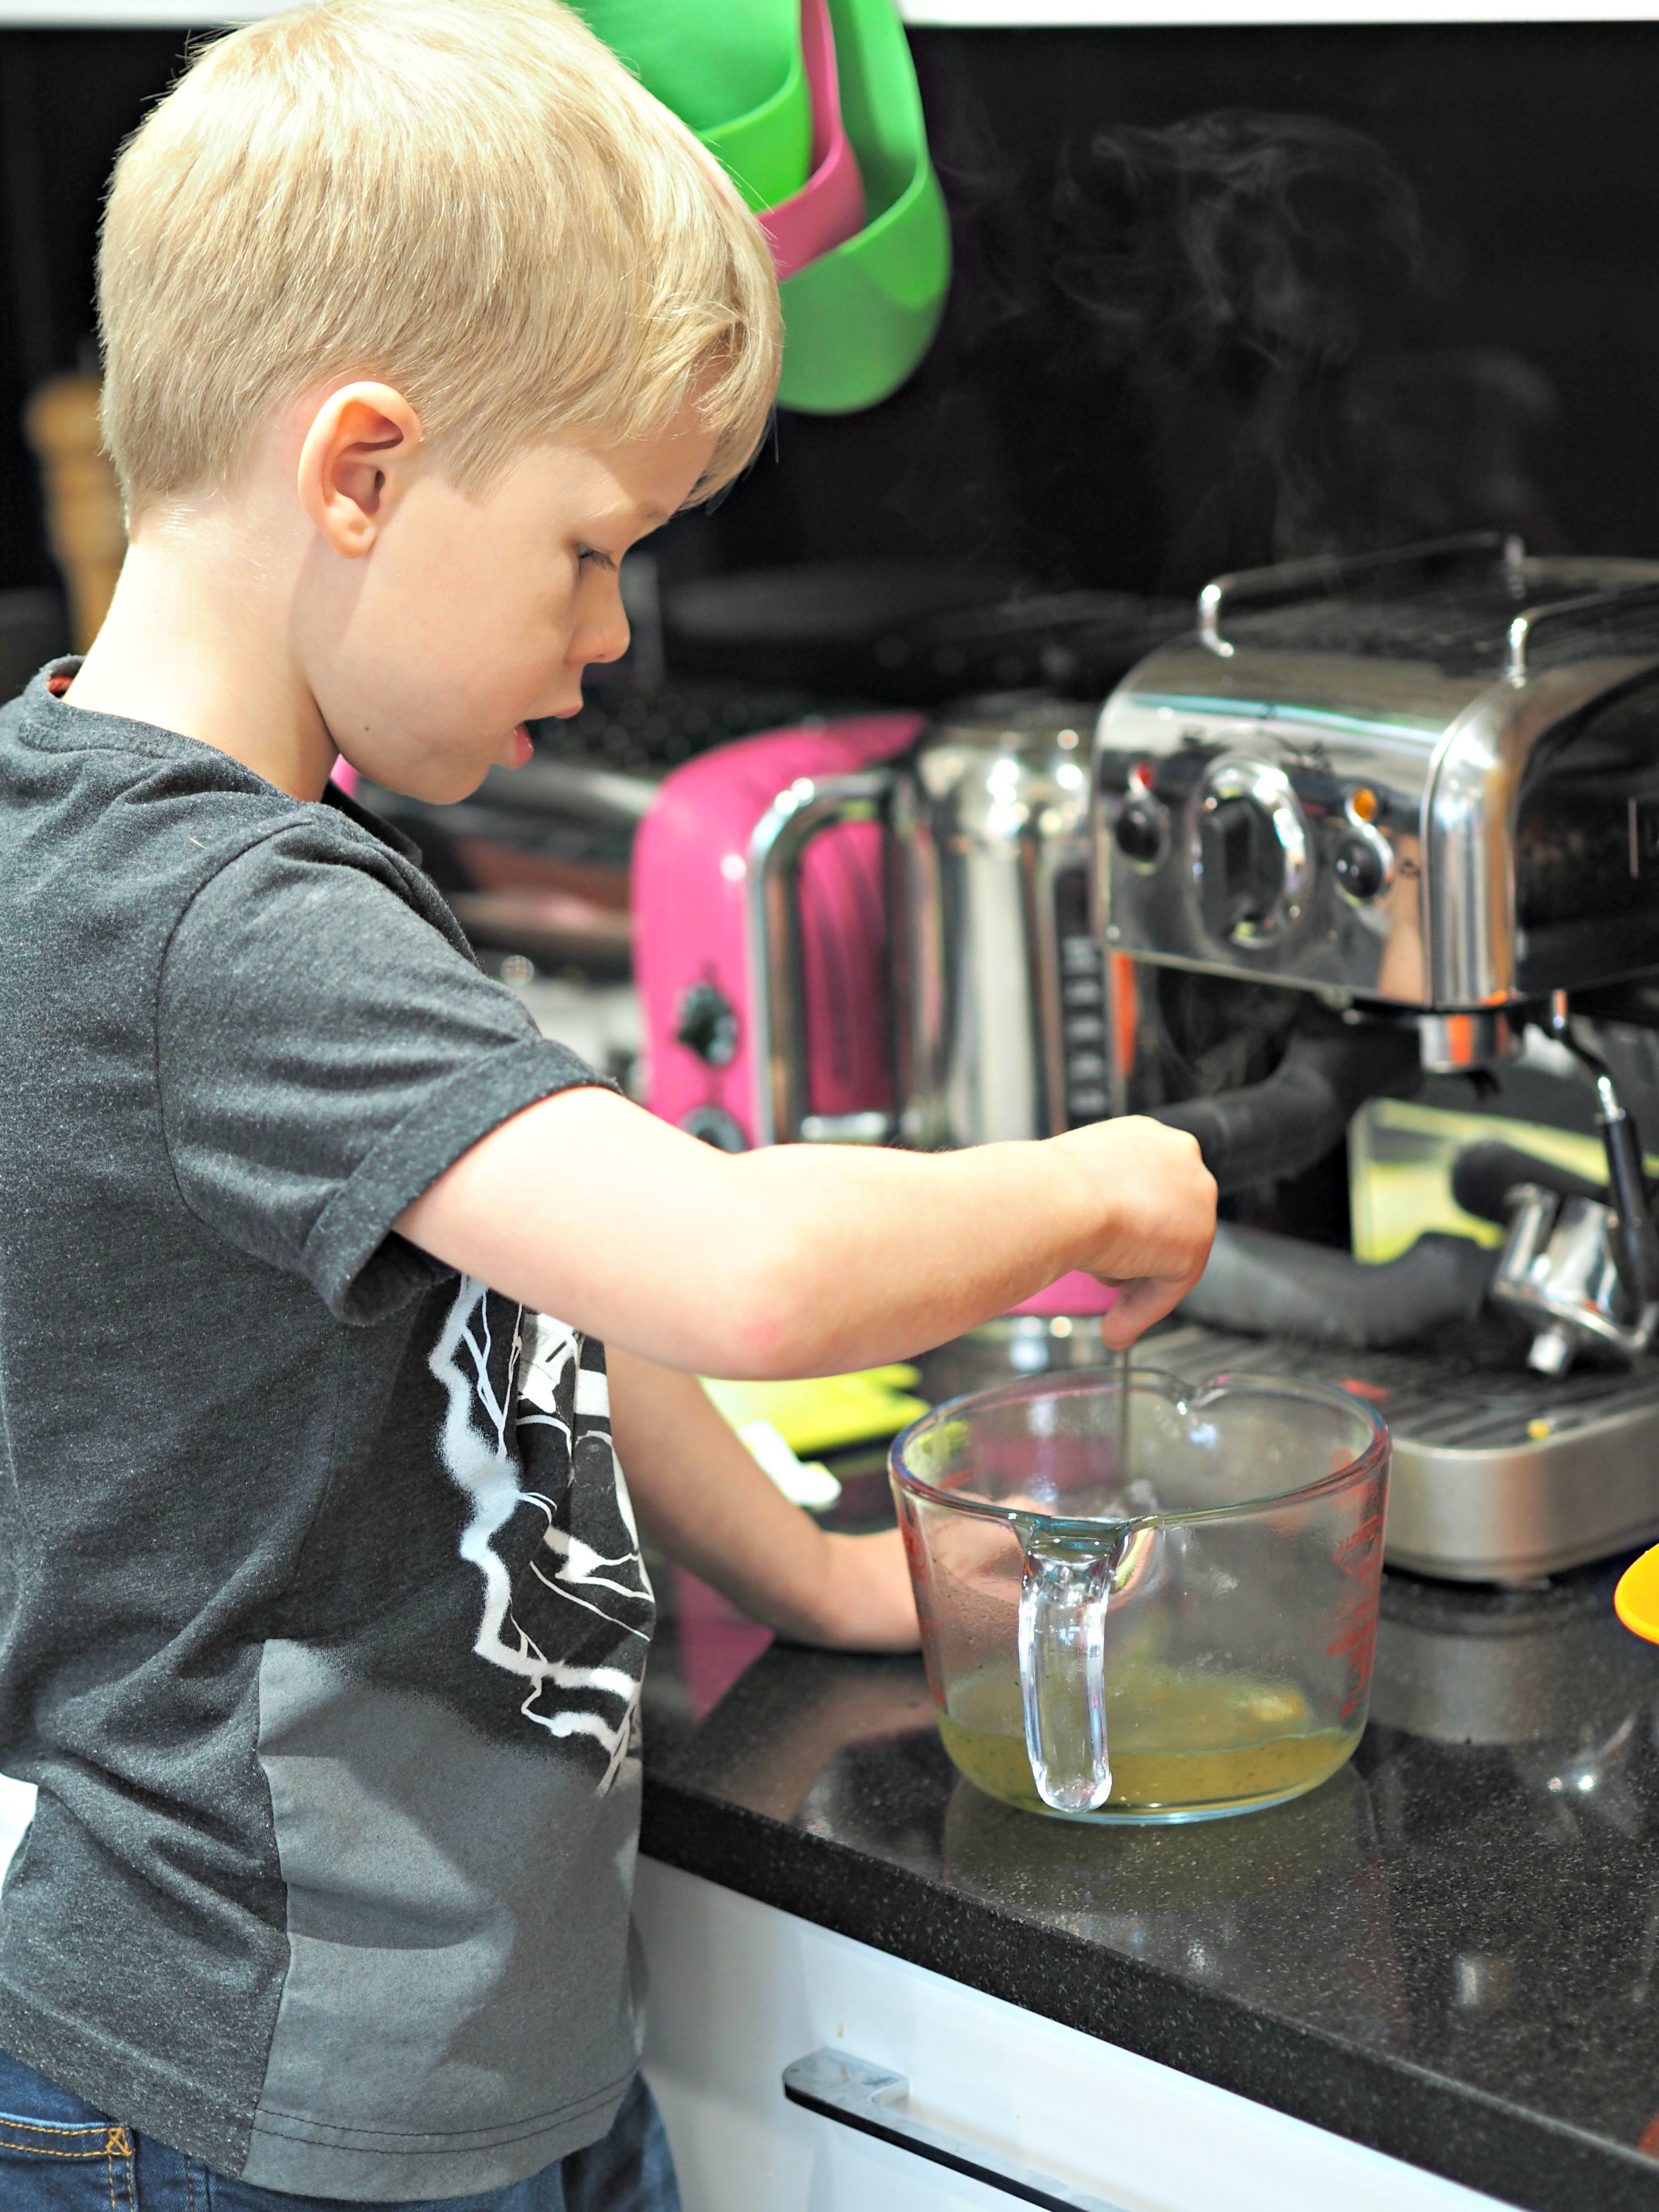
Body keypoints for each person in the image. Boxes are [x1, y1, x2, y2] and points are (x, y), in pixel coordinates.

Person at [0, 2, 1217, 2206]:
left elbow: (536, 1302)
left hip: (467, 2058)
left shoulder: (239, 853)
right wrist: (1093, 1179)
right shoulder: (203, 923)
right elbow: (733, 1275)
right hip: (244, 2106)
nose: (612, 635)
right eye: (585, 547)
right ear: (359, 471)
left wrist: (823, 1580)